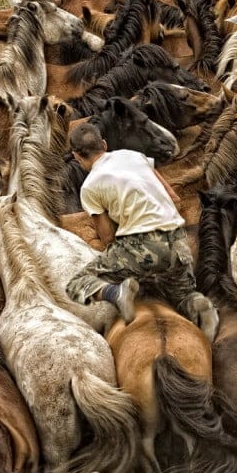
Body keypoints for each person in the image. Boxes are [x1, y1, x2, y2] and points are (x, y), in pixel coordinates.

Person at [65, 123, 219, 342]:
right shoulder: (134, 156)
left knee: (78, 283)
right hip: (177, 240)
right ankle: (198, 303)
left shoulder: (89, 187)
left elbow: (107, 237)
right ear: (105, 145)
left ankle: (116, 294)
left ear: (76, 156)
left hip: (142, 245)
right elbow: (173, 198)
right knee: (180, 294)